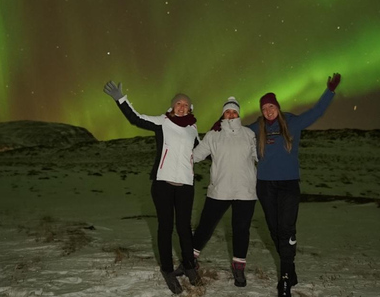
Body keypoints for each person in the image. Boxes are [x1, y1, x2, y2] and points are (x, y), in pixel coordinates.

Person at [247, 73, 341, 297]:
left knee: (286, 231)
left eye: (271, 106)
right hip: (265, 186)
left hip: (288, 185)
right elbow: (236, 134)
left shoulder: (292, 122)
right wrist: (221, 125)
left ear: (278, 107)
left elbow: (316, 112)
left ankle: (286, 279)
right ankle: (291, 268)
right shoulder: (257, 127)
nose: (268, 111)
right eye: (264, 108)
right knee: (274, 230)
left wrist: (329, 92)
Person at [103, 81, 201, 294]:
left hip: (185, 185)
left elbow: (202, 152)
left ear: (190, 108)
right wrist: (121, 99)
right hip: (163, 184)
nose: (182, 107)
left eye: (185, 104)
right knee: (165, 227)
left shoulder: (193, 129)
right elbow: (135, 118)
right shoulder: (163, 122)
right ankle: (167, 270)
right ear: (173, 106)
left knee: (184, 228)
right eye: (178, 104)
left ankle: (190, 266)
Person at [191, 96, 258, 287]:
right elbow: (195, 155)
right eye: (227, 111)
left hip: (245, 191)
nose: (231, 114)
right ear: (223, 113)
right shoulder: (214, 135)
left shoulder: (248, 134)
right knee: (205, 226)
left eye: (234, 111)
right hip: (219, 190)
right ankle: (190, 260)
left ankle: (239, 269)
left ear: (239, 114)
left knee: (241, 230)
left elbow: (260, 157)